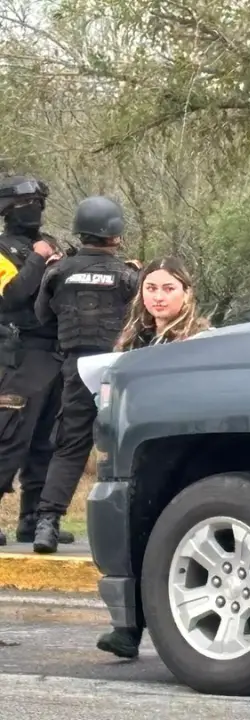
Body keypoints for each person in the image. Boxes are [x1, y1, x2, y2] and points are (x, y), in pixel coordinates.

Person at [96, 256, 209, 659]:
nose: (158, 297)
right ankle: (125, 628)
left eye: (168, 289)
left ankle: (150, 631)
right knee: (128, 533)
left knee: (158, 537)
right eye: (151, 288)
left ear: (186, 293)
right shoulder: (134, 339)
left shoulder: (200, 340)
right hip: (134, 450)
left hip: (179, 454)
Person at [32, 196, 139, 554]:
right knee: (131, 446)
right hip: (122, 369)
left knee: (70, 446)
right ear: (115, 236)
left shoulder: (58, 271)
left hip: (76, 369)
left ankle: (47, 523)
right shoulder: (128, 275)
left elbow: (43, 316)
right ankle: (132, 528)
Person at [0, 175, 74, 547]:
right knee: (9, 437)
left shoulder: (49, 245)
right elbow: (10, 297)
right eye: (29, 204)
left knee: (47, 440)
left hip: (54, 354)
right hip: (17, 357)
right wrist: (39, 258)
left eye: (40, 203)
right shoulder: (2, 250)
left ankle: (34, 518)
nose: (36, 211)